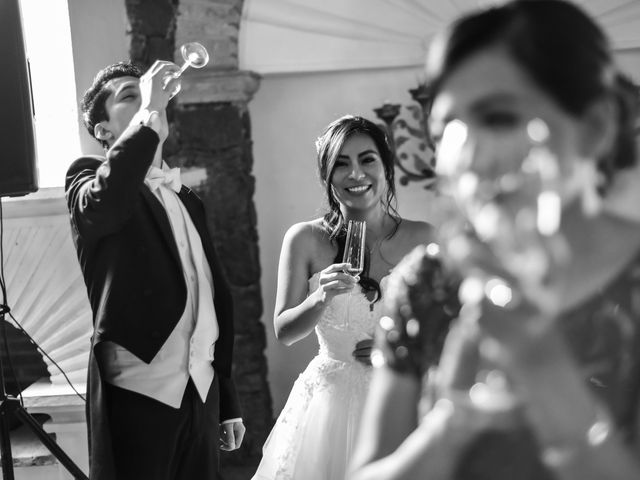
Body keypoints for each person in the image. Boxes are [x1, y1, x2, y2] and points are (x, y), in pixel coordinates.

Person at [349, 1, 640, 480]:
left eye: (500, 118)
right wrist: (449, 427)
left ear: (594, 127)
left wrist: (542, 369)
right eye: (447, 131)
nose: (470, 158)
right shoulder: (430, 281)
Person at [65, 60, 245, 480]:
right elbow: (107, 206)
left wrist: (226, 400)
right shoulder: (86, 178)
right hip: (137, 395)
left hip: (201, 395)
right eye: (130, 95)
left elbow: (210, 297)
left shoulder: (186, 199)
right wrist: (148, 114)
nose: (148, 98)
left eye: (145, 92)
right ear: (103, 131)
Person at [251, 115, 433, 479]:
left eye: (367, 160)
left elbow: (452, 328)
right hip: (326, 407)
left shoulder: (423, 238)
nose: (355, 175)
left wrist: (398, 347)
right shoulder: (303, 239)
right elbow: (285, 332)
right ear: (326, 176)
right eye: (341, 164)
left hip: (402, 400)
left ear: (386, 168)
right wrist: (319, 297)